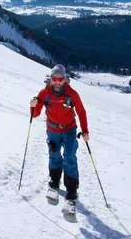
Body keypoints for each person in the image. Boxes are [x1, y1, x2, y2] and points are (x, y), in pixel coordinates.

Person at [29, 64, 89, 213]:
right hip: (52, 128)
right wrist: (33, 106)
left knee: (69, 156)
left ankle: (71, 193)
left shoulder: (72, 94)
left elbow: (81, 112)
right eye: (54, 78)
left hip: (69, 127)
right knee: (54, 154)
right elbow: (35, 114)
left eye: (60, 79)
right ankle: (54, 183)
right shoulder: (44, 93)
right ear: (51, 78)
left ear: (65, 80)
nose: (57, 81)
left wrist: (85, 130)